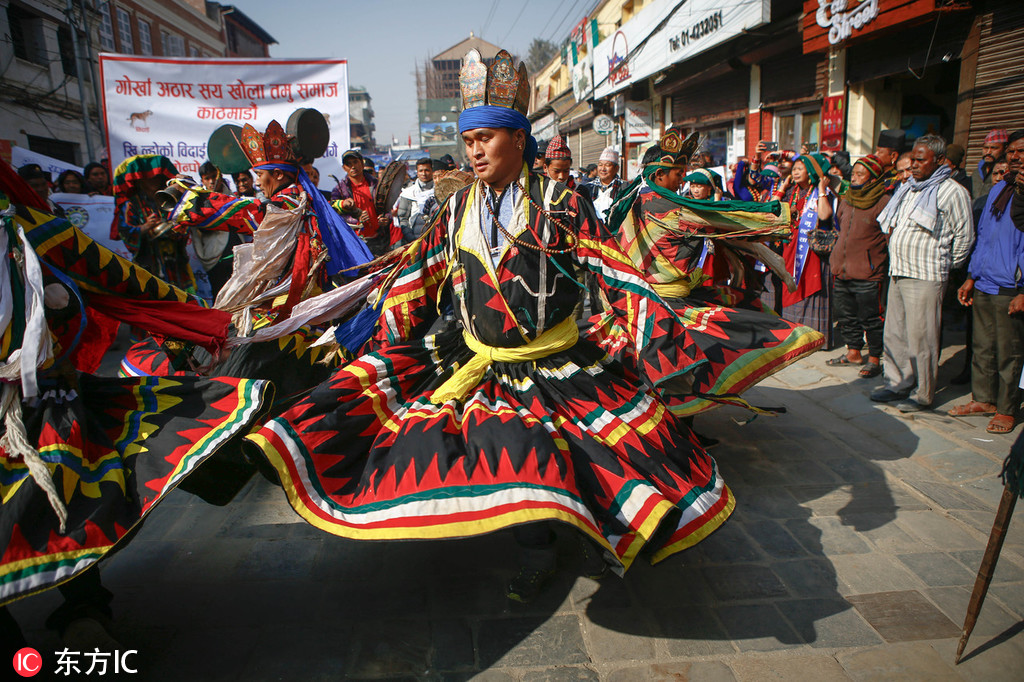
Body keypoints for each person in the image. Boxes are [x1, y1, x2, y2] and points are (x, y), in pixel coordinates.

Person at [246, 47, 734, 604]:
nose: (474, 151)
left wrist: (661, 338)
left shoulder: (561, 202)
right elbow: (415, 278)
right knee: (496, 447)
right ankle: (537, 544)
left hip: (553, 362)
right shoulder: (456, 210)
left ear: (518, 139)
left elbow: (613, 268)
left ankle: (567, 537)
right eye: (469, 140)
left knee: (584, 454)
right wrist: (364, 337)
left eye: (487, 138)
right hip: (476, 356)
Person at [0, 161, 271, 650]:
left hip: (34, 397)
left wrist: (199, 319)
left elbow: (119, 277)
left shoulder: (27, 230)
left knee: (61, 492)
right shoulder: (123, 208)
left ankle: (84, 605)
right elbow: (125, 237)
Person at [603, 127, 824, 422]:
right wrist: (776, 218)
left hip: (640, 300)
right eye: (677, 173)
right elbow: (719, 219)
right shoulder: (666, 206)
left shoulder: (634, 198)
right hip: (662, 304)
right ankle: (676, 441)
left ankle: (678, 434)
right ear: (658, 176)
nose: (683, 180)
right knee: (681, 371)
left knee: (673, 373)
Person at [870, 134, 974, 412]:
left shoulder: (951, 191)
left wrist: (946, 266)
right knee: (895, 334)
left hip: (927, 275)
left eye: (920, 160)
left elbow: (964, 236)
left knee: (922, 338)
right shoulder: (909, 188)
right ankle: (897, 383)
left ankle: (923, 393)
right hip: (899, 270)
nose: (913, 165)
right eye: (912, 159)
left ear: (939, 160)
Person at [948, 130, 1024, 433]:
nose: (1015, 157)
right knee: (982, 347)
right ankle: (983, 399)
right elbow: (983, 238)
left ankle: (1007, 408)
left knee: (1010, 351)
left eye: (1021, 152)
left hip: (1011, 286)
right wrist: (971, 276)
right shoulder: (998, 189)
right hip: (984, 281)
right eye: (1012, 152)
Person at [827, 154, 891, 378]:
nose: (854, 178)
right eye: (853, 173)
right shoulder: (846, 199)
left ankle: (874, 358)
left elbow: (888, 238)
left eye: (860, 174)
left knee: (871, 318)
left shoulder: (884, 201)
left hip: (868, 272)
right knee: (846, 316)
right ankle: (853, 352)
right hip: (842, 269)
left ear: (873, 178)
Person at [770, 153, 835, 339]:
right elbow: (772, 209)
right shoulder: (792, 192)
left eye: (800, 169)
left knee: (810, 286)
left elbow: (824, 216)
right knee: (791, 287)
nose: (795, 173)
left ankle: (814, 334)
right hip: (791, 248)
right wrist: (782, 187)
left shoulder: (819, 192)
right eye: (794, 169)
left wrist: (822, 189)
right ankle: (793, 330)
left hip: (812, 251)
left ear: (811, 171)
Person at [112, 154, 195, 293]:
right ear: (139, 180)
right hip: (148, 262)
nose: (152, 180)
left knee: (182, 297)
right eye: (147, 177)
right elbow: (124, 231)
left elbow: (186, 222)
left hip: (175, 262)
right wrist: (144, 228)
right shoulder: (131, 204)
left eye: (156, 176)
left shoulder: (171, 197)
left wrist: (176, 232)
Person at [331, 149, 391, 257]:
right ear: (344, 168)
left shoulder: (376, 185)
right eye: (348, 164)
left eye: (355, 162)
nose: (353, 167)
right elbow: (334, 214)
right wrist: (355, 221)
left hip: (379, 239)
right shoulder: (339, 189)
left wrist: (386, 218)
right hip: (354, 241)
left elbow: (387, 207)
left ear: (362, 163)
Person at [396, 157, 435, 243]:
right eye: (421, 171)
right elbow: (403, 218)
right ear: (417, 172)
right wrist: (410, 238)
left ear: (432, 171)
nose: (424, 174)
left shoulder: (439, 191)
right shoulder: (408, 193)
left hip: (434, 239)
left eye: (427, 170)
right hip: (413, 240)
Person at [581, 147, 623, 220]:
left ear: (616, 168)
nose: (603, 169)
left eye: (607, 165)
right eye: (600, 165)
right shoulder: (588, 187)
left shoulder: (624, 187)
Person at [973, 129, 1008, 202]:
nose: (988, 152)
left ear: (1005, 149)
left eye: (994, 148)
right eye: (986, 148)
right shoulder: (976, 172)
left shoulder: (1004, 174)